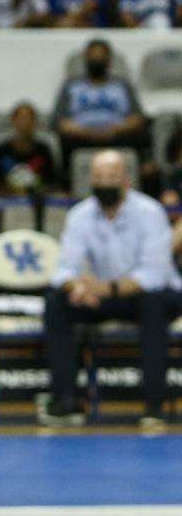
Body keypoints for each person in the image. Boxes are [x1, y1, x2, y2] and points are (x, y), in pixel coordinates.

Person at [41, 151, 182, 428]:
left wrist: (105, 288)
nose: (105, 183)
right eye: (99, 177)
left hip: (153, 293)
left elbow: (154, 274)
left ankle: (154, 404)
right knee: (56, 302)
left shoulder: (149, 212)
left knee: (152, 304)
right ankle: (65, 399)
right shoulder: (80, 215)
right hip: (101, 294)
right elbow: (64, 270)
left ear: (127, 180)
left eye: (112, 177)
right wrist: (79, 287)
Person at [51, 38, 148, 187]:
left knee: (141, 135)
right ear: (86, 58)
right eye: (93, 55)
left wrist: (115, 130)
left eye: (101, 55)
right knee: (62, 141)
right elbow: (59, 121)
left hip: (118, 135)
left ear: (109, 59)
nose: (97, 59)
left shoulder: (122, 85)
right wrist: (86, 132)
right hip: (81, 137)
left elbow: (137, 118)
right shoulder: (72, 85)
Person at [0, 103, 57, 194]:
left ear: (35, 122)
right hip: (9, 199)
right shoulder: (3, 150)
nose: (25, 123)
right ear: (13, 121)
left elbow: (52, 182)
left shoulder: (43, 150)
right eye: (21, 118)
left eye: (29, 118)